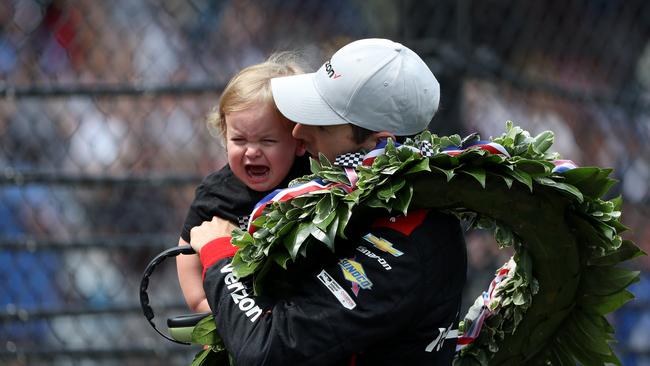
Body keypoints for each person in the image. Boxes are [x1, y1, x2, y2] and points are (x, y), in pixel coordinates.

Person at [190, 38, 467, 365]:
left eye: (320, 123)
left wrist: (220, 257)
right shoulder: (365, 202)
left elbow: (268, 351)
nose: (297, 132)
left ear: (379, 144)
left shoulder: (406, 246)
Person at [177, 54, 309, 313]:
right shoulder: (216, 193)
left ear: (300, 141)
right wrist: (200, 302)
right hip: (235, 310)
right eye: (239, 140)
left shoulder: (312, 183)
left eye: (267, 141)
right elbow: (185, 250)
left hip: (300, 313)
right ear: (225, 134)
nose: (251, 152)